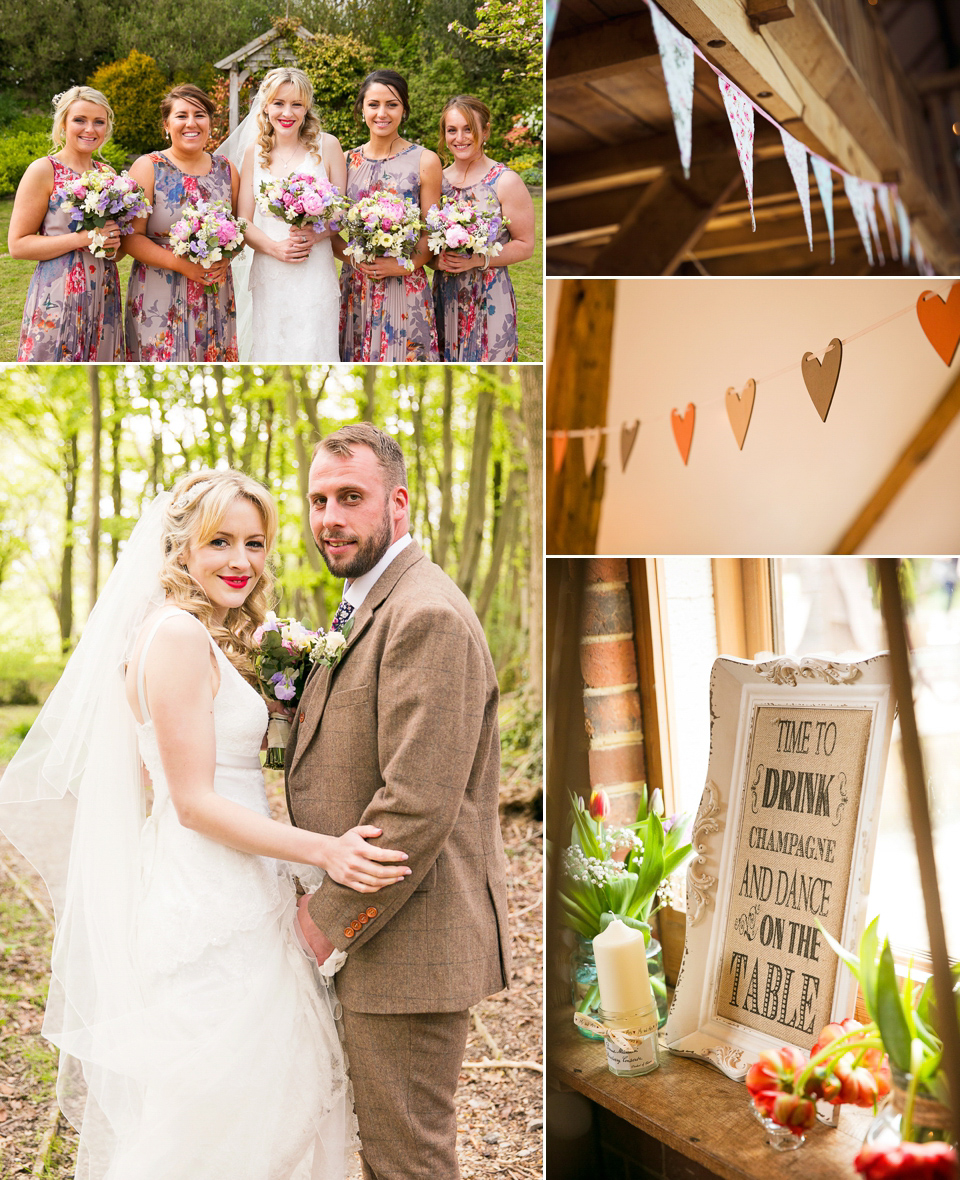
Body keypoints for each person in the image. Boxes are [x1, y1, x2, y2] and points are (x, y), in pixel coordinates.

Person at [0, 469, 412, 1179]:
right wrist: (326, 851)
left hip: (219, 884)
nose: (241, 562)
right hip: (211, 904)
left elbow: (154, 780)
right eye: (219, 541)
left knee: (258, 1106)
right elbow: (191, 802)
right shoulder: (179, 637)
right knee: (221, 1116)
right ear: (180, 549)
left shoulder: (185, 636)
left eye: (255, 543)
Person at [288, 423, 511, 1180]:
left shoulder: (427, 616)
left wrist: (325, 924)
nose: (330, 518)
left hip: (407, 942)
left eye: (351, 497)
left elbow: (414, 806)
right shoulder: (365, 601)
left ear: (400, 503)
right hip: (381, 937)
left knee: (407, 1161)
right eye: (318, 500)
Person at [223, 67, 345, 362]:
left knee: (315, 344)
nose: (287, 112)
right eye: (279, 103)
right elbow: (243, 221)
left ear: (307, 108)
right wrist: (275, 248)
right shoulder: (255, 152)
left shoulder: (327, 146)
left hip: (314, 267)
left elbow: (341, 210)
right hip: (270, 268)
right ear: (266, 106)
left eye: (296, 104)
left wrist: (316, 234)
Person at [125, 85, 239, 361]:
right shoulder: (148, 166)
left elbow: (238, 229)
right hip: (159, 289)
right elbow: (130, 236)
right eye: (181, 116)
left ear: (211, 123)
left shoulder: (226, 169)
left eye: (199, 115)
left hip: (213, 289)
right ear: (166, 124)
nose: (191, 123)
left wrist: (228, 256)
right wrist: (181, 265)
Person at [9, 86, 123, 361]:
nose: (90, 129)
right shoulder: (43, 170)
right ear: (63, 123)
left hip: (103, 288)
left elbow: (116, 250)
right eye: (80, 120)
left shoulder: (107, 173)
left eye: (98, 121)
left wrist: (114, 245)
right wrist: (82, 238)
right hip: (58, 290)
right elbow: (18, 245)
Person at [337, 70, 441, 362]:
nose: (382, 113)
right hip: (357, 284)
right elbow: (330, 231)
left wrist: (403, 266)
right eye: (373, 104)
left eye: (392, 104)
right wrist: (355, 260)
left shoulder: (425, 160)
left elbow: (430, 233)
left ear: (404, 109)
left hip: (404, 284)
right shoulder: (345, 161)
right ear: (362, 109)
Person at [431, 95, 535, 362]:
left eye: (469, 129)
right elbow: (425, 240)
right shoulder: (436, 181)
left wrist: (479, 259)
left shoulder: (505, 181)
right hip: (444, 294)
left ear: (485, 130)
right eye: (452, 130)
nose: (460, 138)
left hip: (488, 294)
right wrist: (436, 261)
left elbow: (525, 245)